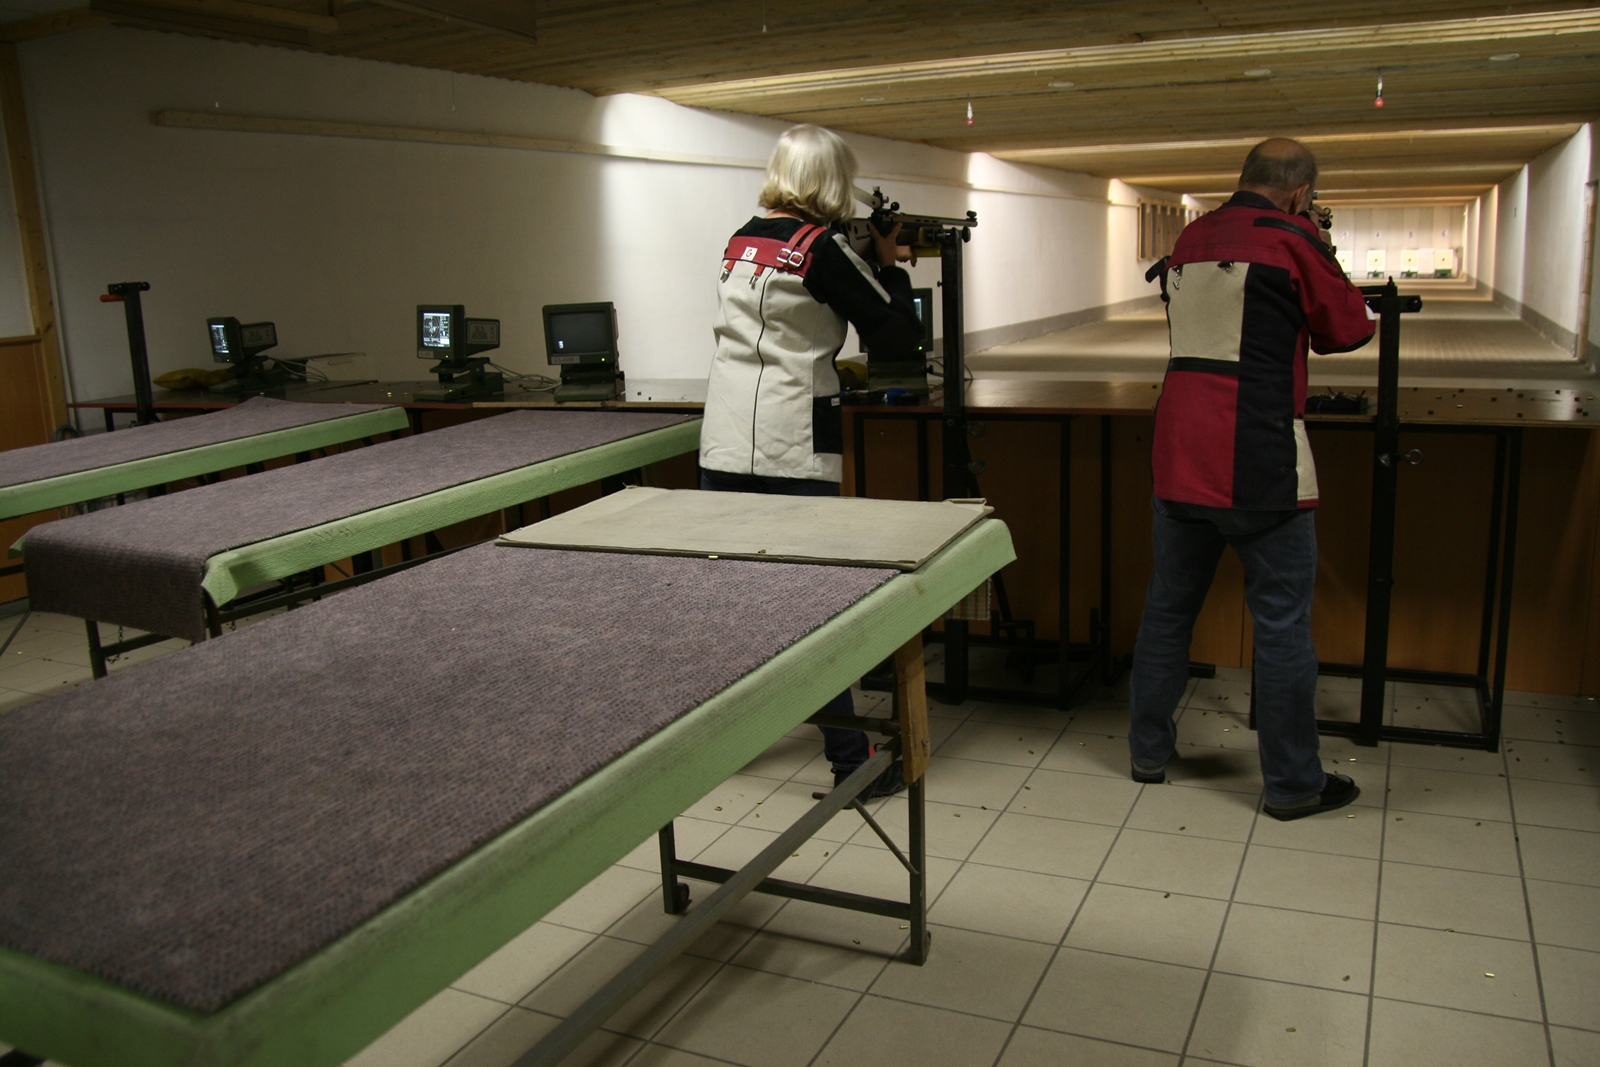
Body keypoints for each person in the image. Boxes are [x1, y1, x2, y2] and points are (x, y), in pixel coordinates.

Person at [1131, 138, 1376, 821]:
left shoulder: (1191, 237)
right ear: (1301, 193)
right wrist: (1320, 244)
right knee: (1282, 625)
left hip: (1178, 449)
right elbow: (1347, 329)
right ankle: (1294, 785)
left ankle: (1148, 753)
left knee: (1167, 611)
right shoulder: (1293, 241)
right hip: (1259, 454)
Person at [699, 123, 925, 798]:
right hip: (794, 442)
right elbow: (898, 334)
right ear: (830, 182)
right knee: (812, 608)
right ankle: (852, 762)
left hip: (724, 440)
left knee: (736, 604)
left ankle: (720, 743)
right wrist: (888, 261)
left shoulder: (740, 239)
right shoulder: (822, 249)